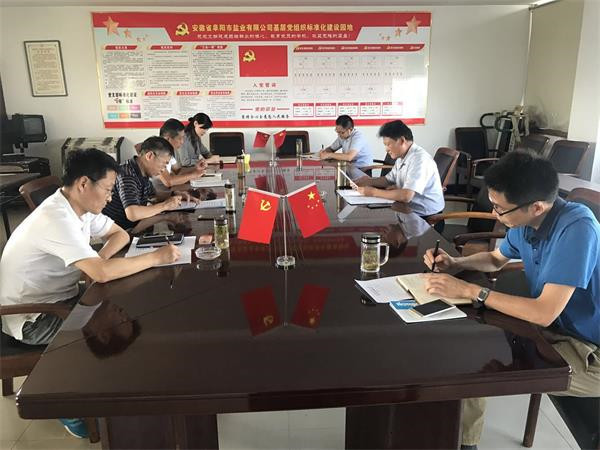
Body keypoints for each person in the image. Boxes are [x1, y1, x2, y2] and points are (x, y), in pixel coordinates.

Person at [421, 151, 600, 450]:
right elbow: (495, 259)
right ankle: (464, 441)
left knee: (474, 373)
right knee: (470, 353)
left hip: (591, 350)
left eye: (499, 209)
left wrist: (472, 291)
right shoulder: (528, 222)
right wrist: (455, 263)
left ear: (537, 206)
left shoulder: (577, 228)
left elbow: (543, 312)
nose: (494, 215)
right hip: (557, 330)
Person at [0, 148, 180, 438]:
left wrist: (99, 262)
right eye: (107, 190)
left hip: (61, 298)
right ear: (84, 184)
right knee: (108, 330)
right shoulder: (56, 217)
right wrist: (156, 257)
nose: (110, 198)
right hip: (33, 317)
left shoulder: (78, 207)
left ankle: (126, 395)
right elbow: (101, 274)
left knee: (123, 307)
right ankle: (69, 409)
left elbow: (120, 234)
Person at [355, 120, 445, 218]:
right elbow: (388, 180)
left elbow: (406, 196)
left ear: (402, 140)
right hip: (406, 209)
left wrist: (373, 192)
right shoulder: (402, 157)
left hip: (425, 217)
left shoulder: (420, 159)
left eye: (388, 144)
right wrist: (368, 181)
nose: (386, 149)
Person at [103, 136, 194, 230]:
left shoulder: (142, 171)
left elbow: (154, 195)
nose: (164, 169)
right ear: (149, 156)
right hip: (120, 231)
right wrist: (165, 205)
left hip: (135, 226)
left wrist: (175, 194)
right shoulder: (127, 174)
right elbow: (132, 214)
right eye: (164, 164)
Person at [152, 118, 207, 191]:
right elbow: (168, 181)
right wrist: (194, 174)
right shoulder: (157, 152)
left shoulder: (167, 151)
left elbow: (178, 170)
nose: (182, 142)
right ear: (168, 139)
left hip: (168, 191)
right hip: (158, 194)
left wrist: (196, 168)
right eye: (180, 138)